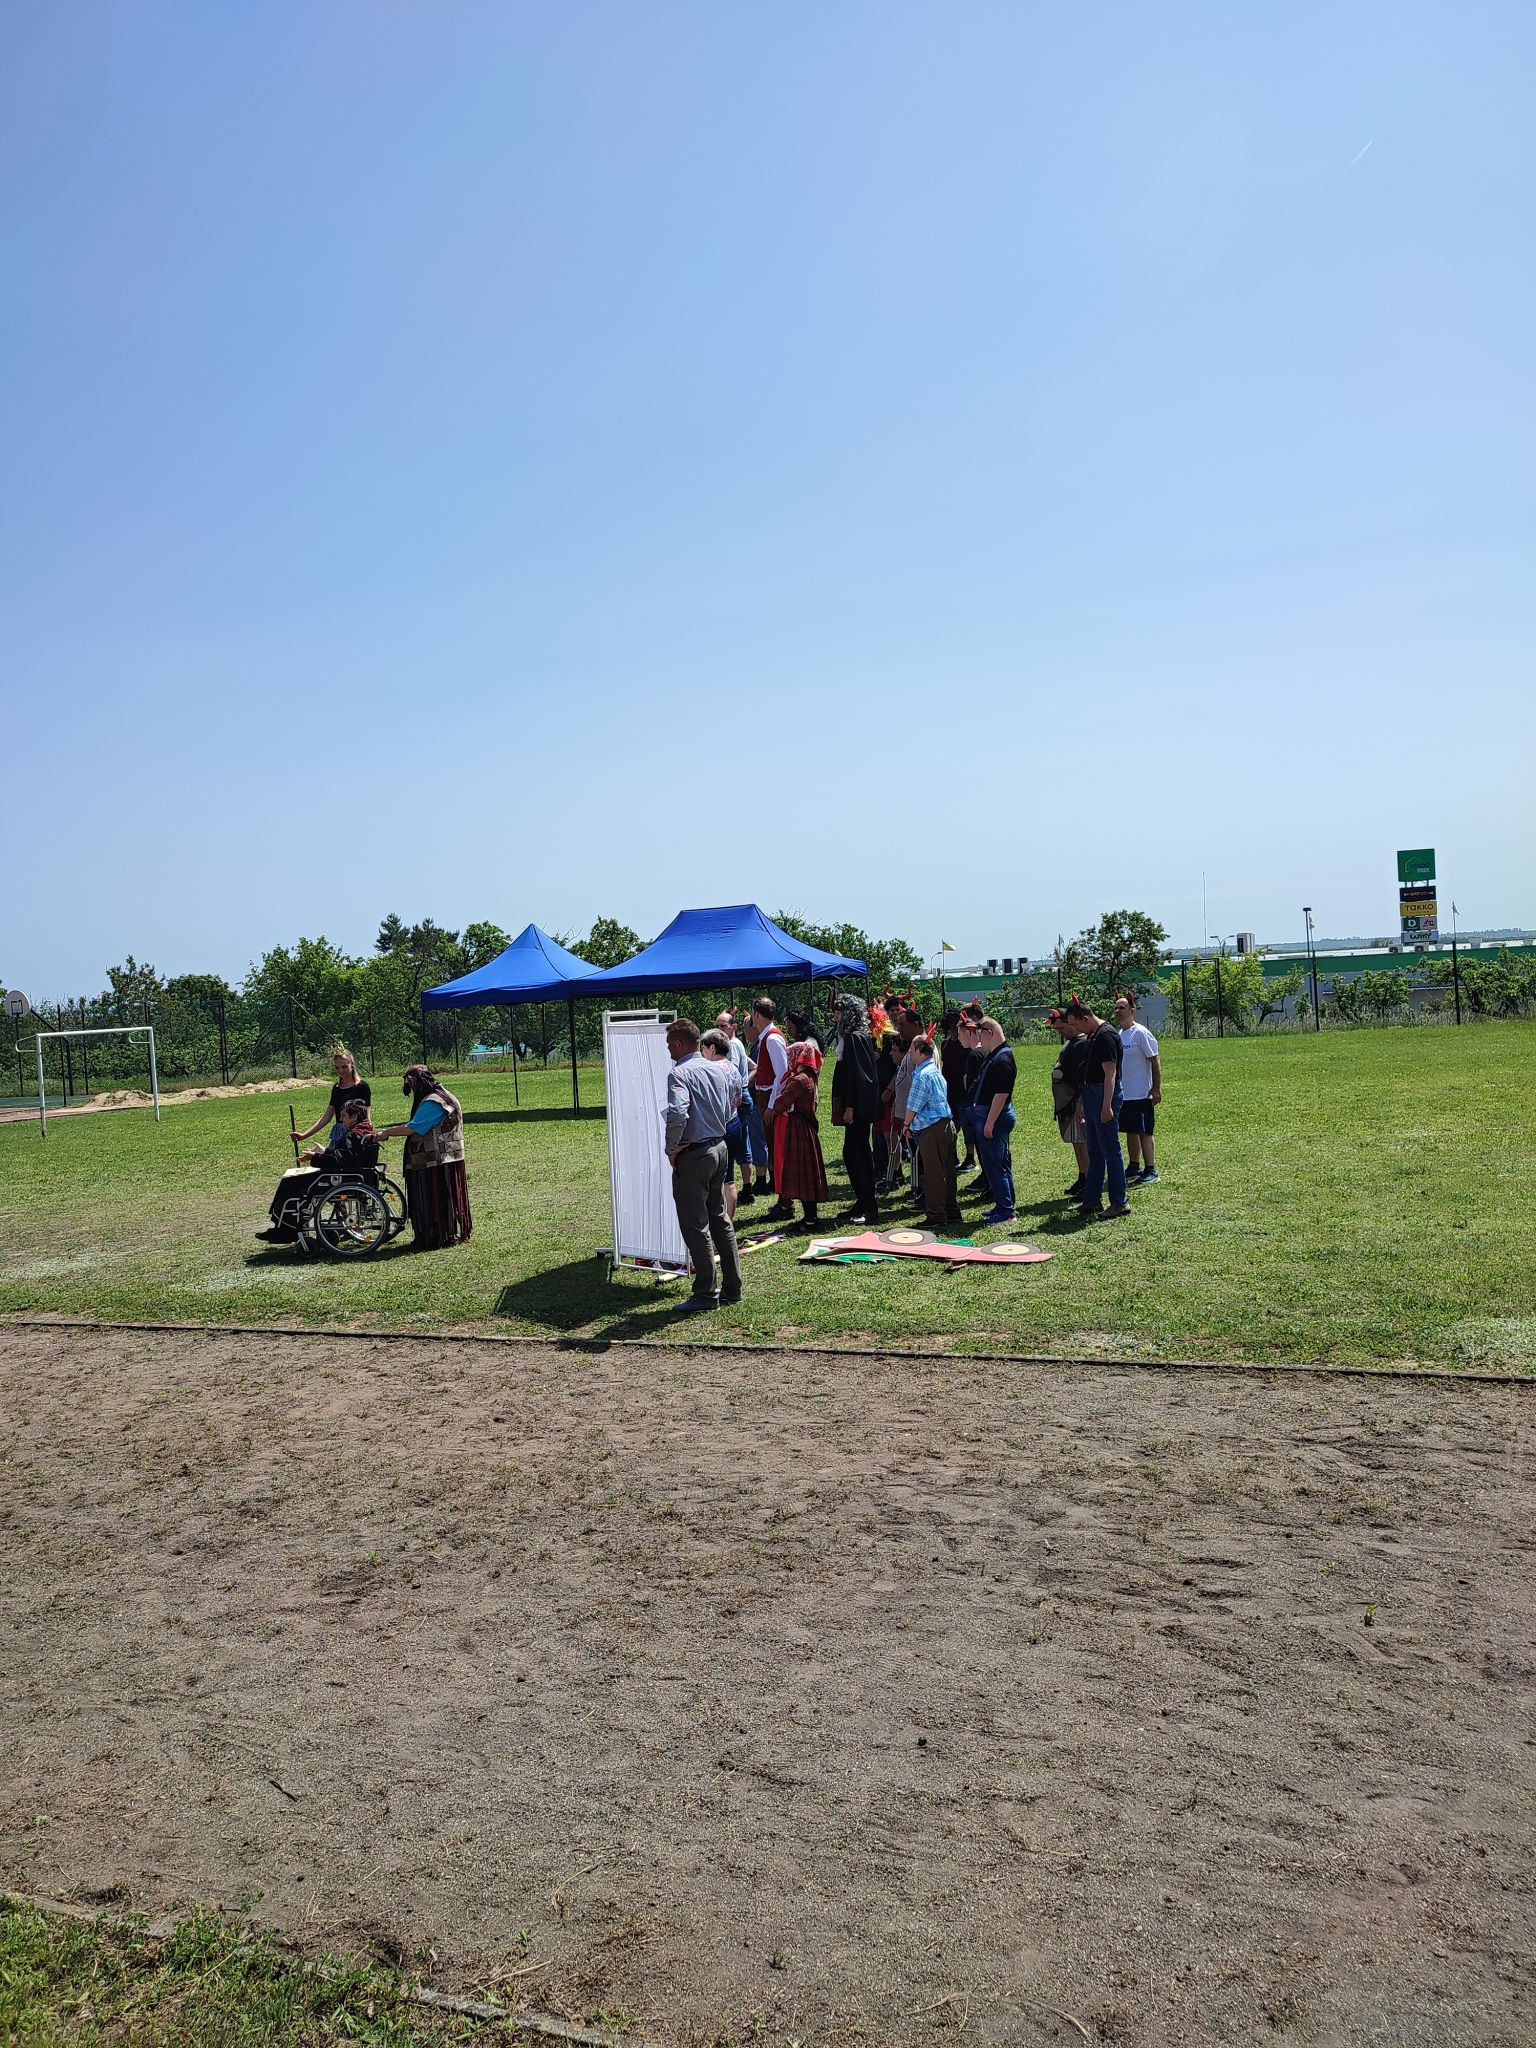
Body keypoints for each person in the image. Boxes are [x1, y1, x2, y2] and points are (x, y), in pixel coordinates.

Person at [662, 1019, 742, 1309]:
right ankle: (733, 1287)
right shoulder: (718, 1069)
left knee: (696, 1225)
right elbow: (731, 1106)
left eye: (669, 1044)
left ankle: (706, 1293)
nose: (668, 1049)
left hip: (695, 1155)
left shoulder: (679, 1073)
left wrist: (672, 1148)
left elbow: (677, 1113)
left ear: (679, 1043)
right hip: (719, 1148)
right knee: (719, 1219)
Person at [373, 1066, 472, 1248]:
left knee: (433, 1200)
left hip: (435, 1161)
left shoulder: (434, 1101)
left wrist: (386, 1132)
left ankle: (436, 1236)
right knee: (440, 1200)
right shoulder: (443, 1095)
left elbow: (414, 1127)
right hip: (445, 1158)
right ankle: (441, 1234)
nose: (411, 1089)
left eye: (411, 1085)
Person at [258, 1097, 379, 1244]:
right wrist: (325, 1151)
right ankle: (284, 1226)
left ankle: (287, 1228)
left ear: (354, 1116)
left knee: (290, 1182)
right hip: (356, 1176)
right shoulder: (364, 1132)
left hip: (342, 1178)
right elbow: (346, 1156)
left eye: (344, 1115)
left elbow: (340, 1160)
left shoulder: (353, 1134)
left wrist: (314, 1157)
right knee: (293, 1181)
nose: (341, 1119)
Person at [1061, 998, 1129, 1219]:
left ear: (1086, 1018)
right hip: (1091, 1095)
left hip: (1103, 1096)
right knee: (1095, 1150)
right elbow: (1088, 1071)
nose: (1075, 1029)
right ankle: (1092, 1200)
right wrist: (1081, 1101)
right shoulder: (1092, 1035)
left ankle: (1119, 1202)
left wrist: (1107, 1106)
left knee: (1110, 1150)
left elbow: (1110, 1075)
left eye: (1075, 1024)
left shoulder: (1106, 1036)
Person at [763, 1039, 828, 1228]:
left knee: (803, 1174)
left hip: (799, 1130)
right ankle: (809, 1217)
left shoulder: (799, 1080)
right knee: (806, 1175)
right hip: (804, 1129)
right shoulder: (808, 1076)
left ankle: (810, 1220)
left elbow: (780, 1103)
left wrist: (775, 1105)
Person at [960, 1014, 1018, 1224]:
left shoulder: (1003, 1059)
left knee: (996, 1165)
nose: (978, 1039)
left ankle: (1006, 1211)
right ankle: (1004, 1205)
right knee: (997, 1163)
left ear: (989, 1033)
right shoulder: (995, 1055)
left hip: (994, 1117)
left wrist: (990, 1122)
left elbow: (1001, 1094)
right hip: (987, 1115)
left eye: (980, 1034)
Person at [901, 1034, 962, 1230]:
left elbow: (913, 1106)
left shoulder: (922, 1076)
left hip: (931, 1130)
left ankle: (936, 1216)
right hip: (947, 1125)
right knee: (948, 1172)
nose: (910, 1053)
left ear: (920, 1051)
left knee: (933, 1174)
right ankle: (951, 1210)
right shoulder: (935, 1071)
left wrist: (906, 1125)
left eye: (912, 1049)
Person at [830, 992, 881, 1224]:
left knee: (857, 1154)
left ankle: (869, 1206)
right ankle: (862, 1201)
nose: (835, 1017)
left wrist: (850, 1106)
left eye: (838, 1013)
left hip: (858, 1108)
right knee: (853, 1153)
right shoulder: (852, 1037)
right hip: (856, 1106)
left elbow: (858, 1076)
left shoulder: (855, 1038)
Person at [715, 1010, 766, 1203]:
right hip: (741, 1096)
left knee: (731, 1142)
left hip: (735, 1098)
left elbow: (732, 1072)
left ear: (733, 1027)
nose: (719, 1029)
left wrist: (740, 1090)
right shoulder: (736, 1044)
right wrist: (746, 1084)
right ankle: (747, 1188)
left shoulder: (731, 1045)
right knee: (743, 1141)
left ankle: (732, 1186)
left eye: (723, 1026)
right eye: (716, 1026)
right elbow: (753, 1067)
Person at [1114, 991, 1162, 1183]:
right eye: (1116, 1008)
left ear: (1132, 1011)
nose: (1118, 1011)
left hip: (1142, 1092)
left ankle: (1151, 1170)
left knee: (1144, 1131)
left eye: (1122, 1007)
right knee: (1130, 1130)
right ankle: (1134, 1166)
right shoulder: (1119, 1035)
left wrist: (1156, 1088)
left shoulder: (1140, 1033)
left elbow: (1155, 1061)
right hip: (1125, 1094)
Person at [701, 1027, 746, 1220]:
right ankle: (729, 1225)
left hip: (716, 1128)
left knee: (713, 1180)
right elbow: (739, 1100)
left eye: (703, 1047)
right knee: (729, 1179)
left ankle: (717, 1225)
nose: (702, 1052)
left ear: (712, 1048)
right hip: (734, 1123)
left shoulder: (710, 1070)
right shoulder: (733, 1068)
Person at [1048, 1008, 1093, 1199]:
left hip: (1075, 1100)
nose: (1061, 1033)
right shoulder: (1071, 1043)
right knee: (1076, 1140)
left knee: (1082, 1141)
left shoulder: (1082, 1043)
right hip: (1067, 1101)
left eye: (1062, 1028)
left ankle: (1090, 1180)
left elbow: (1082, 1074)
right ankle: (1083, 1176)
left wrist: (1078, 1100)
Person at [293, 1043, 371, 1149]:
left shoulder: (362, 1086)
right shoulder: (337, 1088)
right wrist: (304, 1135)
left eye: (344, 1067)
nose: (340, 1071)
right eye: (337, 1067)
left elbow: (366, 1116)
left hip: (356, 1133)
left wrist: (369, 1136)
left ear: (352, 1064)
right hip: (339, 1133)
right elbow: (327, 1117)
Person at [747, 997, 789, 1190]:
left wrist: (772, 1105)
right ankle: (778, 1186)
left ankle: (782, 1189)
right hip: (765, 1095)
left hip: (771, 1096)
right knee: (771, 1144)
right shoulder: (766, 1038)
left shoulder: (772, 1038)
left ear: (757, 1014)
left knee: (776, 1144)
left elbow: (782, 1074)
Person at [940, 1011, 974, 1171]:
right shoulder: (945, 1044)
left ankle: (970, 1157)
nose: (954, 1032)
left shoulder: (966, 1045)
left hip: (964, 1092)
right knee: (951, 1126)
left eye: (955, 1028)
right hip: (949, 1092)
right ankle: (952, 1155)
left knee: (967, 1126)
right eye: (950, 1029)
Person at [872, 1027, 900, 1186]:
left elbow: (899, 1070)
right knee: (885, 1137)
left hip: (887, 1096)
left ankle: (895, 1174)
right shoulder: (871, 1040)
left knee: (891, 1137)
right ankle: (890, 1172)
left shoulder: (890, 1038)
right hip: (878, 1096)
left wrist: (889, 1090)